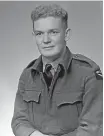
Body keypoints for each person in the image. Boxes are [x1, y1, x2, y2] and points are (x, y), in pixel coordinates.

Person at [11, 4, 103, 136]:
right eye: (39, 33)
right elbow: (19, 121)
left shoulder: (88, 73)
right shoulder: (27, 75)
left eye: (53, 32)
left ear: (66, 34)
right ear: (34, 37)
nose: (46, 40)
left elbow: (92, 128)